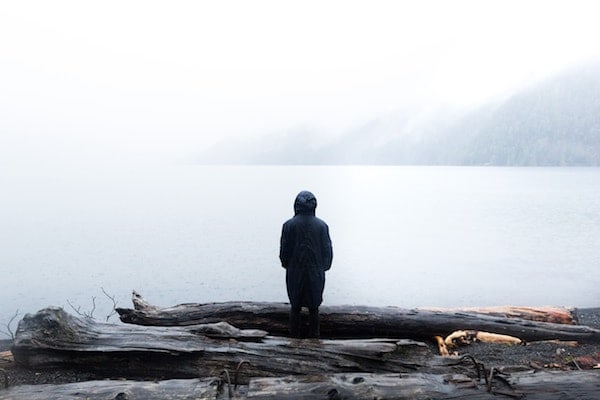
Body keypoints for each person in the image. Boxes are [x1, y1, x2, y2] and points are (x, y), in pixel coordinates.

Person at [279, 190, 333, 338]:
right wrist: (324, 267)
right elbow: (327, 251)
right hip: (316, 272)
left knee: (295, 307)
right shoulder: (322, 226)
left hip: (295, 271)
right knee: (314, 308)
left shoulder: (288, 225)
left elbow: (284, 251)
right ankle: (315, 338)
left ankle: (294, 338)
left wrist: (287, 265)